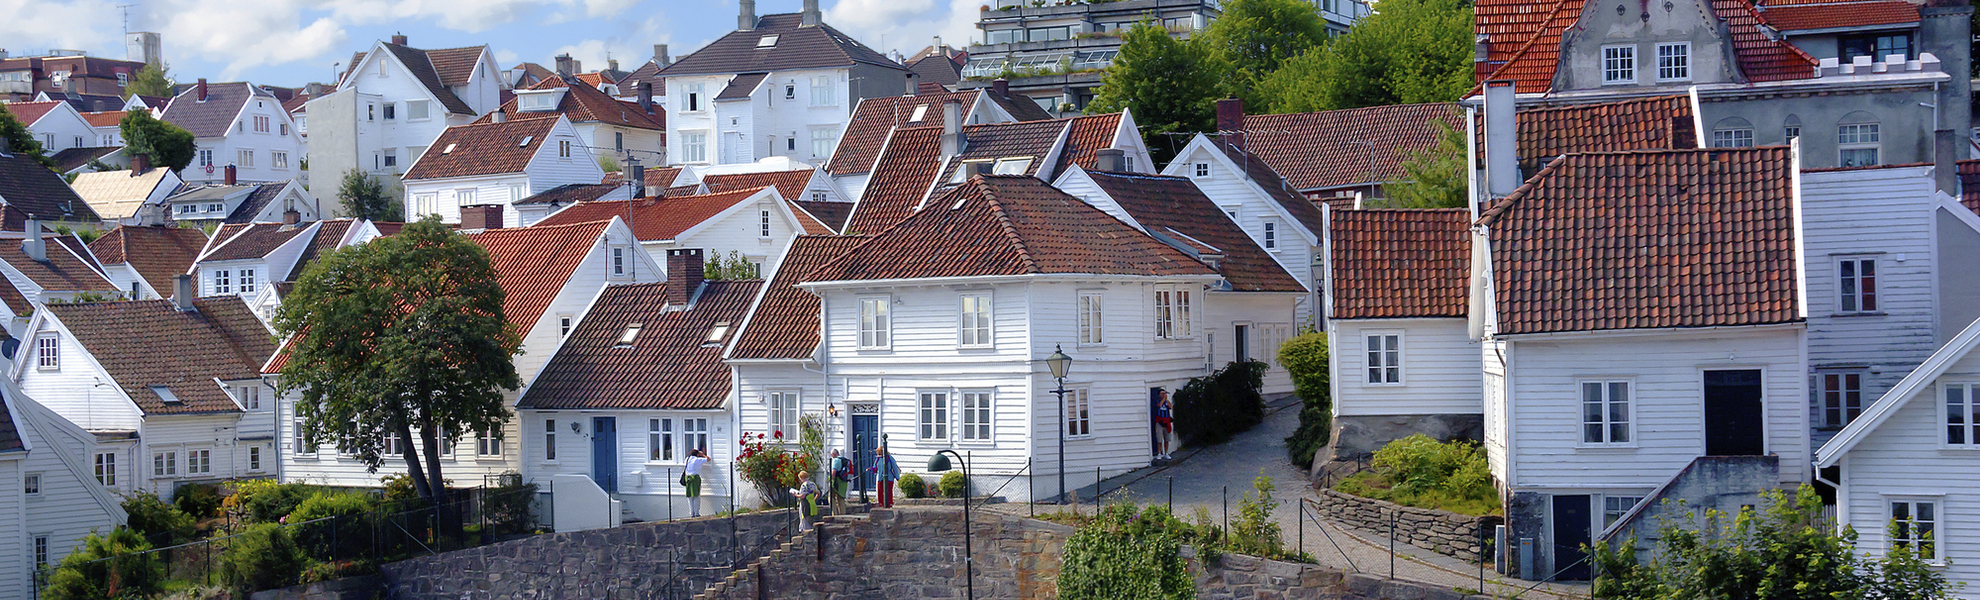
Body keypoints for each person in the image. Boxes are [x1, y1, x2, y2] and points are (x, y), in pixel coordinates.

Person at [685, 448, 708, 517]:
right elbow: (708, 459)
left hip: (688, 478)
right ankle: (697, 513)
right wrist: (703, 455)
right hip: (695, 478)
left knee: (690, 496)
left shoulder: (687, 459)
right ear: (697, 454)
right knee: (696, 496)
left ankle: (692, 513)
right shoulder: (697, 460)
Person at [828, 449, 852, 515]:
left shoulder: (835, 460)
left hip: (836, 481)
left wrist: (830, 481)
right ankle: (842, 513)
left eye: (831, 455)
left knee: (831, 497)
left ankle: (834, 514)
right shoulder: (844, 460)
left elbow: (834, 471)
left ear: (834, 454)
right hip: (843, 481)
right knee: (841, 499)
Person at [1154, 389, 1175, 460]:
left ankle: (1166, 453)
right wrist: (1163, 399)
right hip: (1159, 422)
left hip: (1166, 422)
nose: (1163, 395)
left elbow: (1171, 407)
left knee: (1167, 438)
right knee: (1159, 439)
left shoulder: (1166, 402)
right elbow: (1159, 405)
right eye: (1162, 393)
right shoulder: (1157, 401)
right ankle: (1159, 453)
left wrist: (1166, 400)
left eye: (1164, 393)